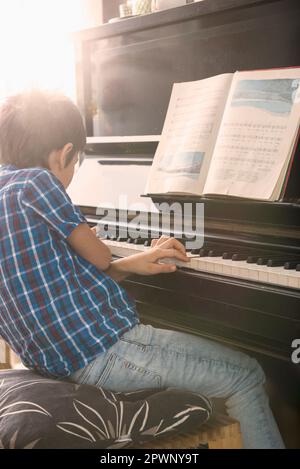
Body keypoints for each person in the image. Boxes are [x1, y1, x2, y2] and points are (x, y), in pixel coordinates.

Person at [0, 90, 284, 449]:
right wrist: (116, 255)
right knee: (247, 375)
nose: (71, 174)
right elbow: (100, 257)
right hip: (109, 353)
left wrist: (135, 262)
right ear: (64, 153)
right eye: (76, 165)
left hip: (56, 360)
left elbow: (67, 282)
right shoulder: (39, 183)